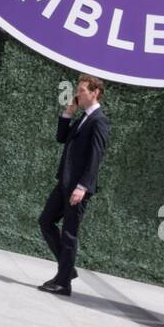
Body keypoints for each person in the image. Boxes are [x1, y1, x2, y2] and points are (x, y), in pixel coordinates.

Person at [38, 74, 110, 297]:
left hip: (77, 187)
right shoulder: (83, 119)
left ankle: (63, 283)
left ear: (95, 92)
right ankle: (67, 271)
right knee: (46, 221)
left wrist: (83, 187)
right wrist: (68, 113)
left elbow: (95, 157)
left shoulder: (99, 121)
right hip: (64, 182)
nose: (77, 94)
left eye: (81, 90)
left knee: (69, 233)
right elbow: (61, 138)